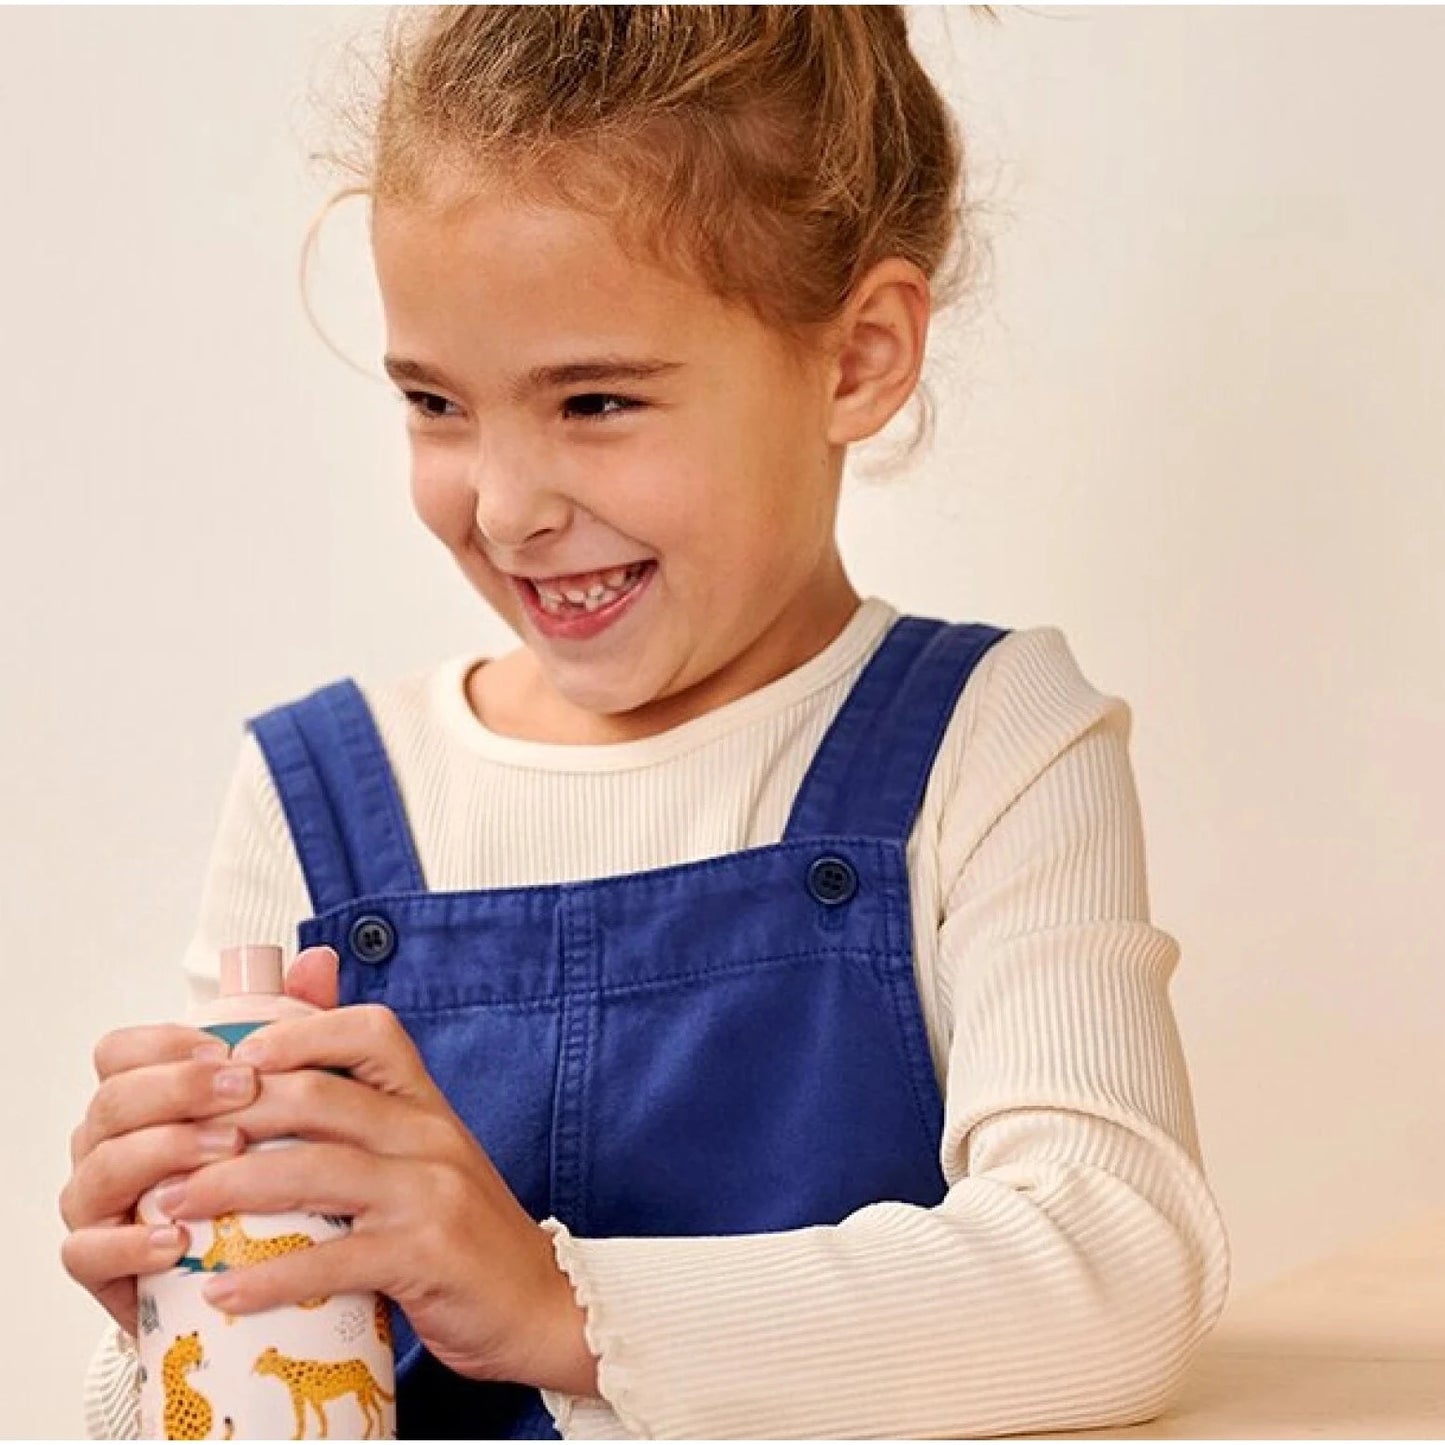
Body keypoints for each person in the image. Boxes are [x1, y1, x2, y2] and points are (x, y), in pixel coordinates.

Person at [60, 6, 1230, 1439]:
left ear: (857, 357)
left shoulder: (991, 742)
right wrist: (182, 1320)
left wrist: (556, 1304)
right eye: (436, 402)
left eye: (595, 399)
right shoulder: (308, 797)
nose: (503, 505)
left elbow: (1111, 1274)